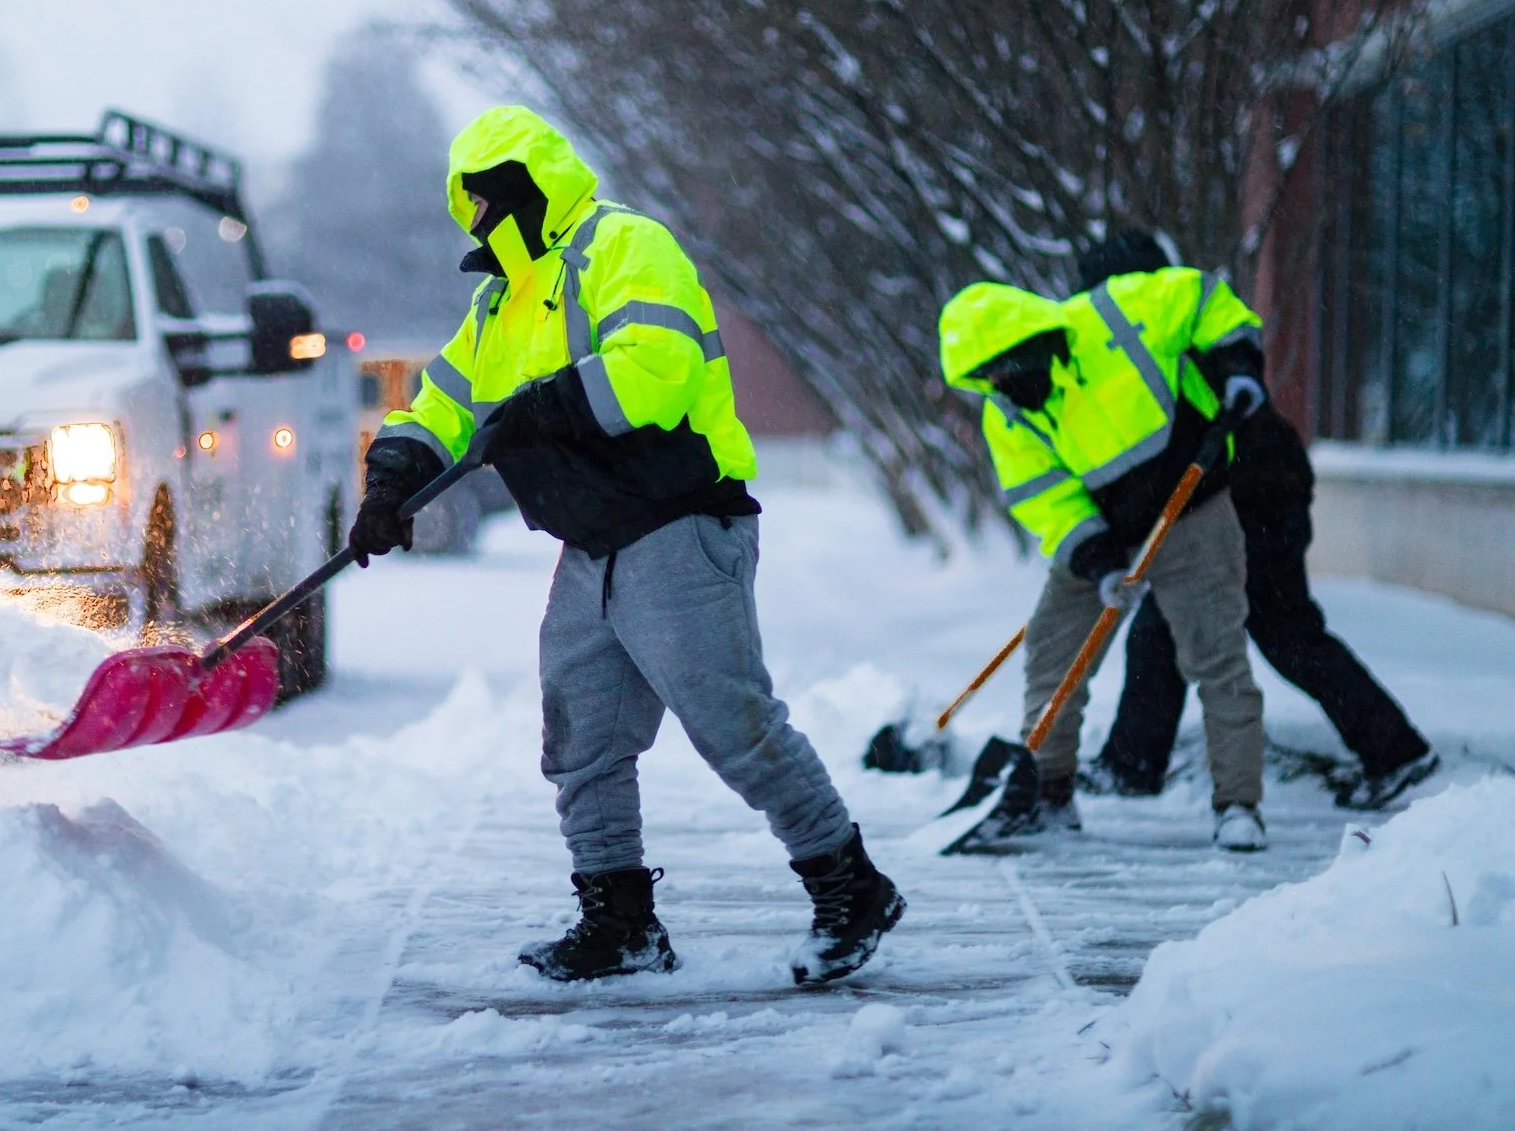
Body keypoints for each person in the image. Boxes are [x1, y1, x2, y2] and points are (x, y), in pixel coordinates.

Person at [349, 106, 904, 985]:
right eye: (472, 208)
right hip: (594, 541)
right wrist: (391, 479)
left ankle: (851, 883)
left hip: (679, 519)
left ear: (527, 188)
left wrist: (546, 405)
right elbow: (443, 404)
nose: (481, 223)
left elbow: (659, 365)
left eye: (489, 202)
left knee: (733, 724)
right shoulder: (498, 303)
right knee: (581, 738)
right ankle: (621, 922)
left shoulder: (625, 247)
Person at [1071, 234, 1440, 810]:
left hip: (1242, 501)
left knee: (1179, 632)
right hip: (1267, 492)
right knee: (1280, 632)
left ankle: (1133, 766)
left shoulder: (1152, 340)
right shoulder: (1170, 328)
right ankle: (1396, 753)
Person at [937, 264, 1271, 851]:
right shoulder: (1008, 412)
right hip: (1107, 530)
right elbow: (1047, 499)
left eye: (1007, 365)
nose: (1002, 381)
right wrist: (1100, 564)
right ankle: (1047, 794)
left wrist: (1237, 365)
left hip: (1190, 504)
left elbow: (1203, 298)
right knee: (1052, 653)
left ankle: (1238, 805)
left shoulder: (1115, 313)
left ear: (1036, 338)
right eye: (986, 375)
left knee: (1214, 656)